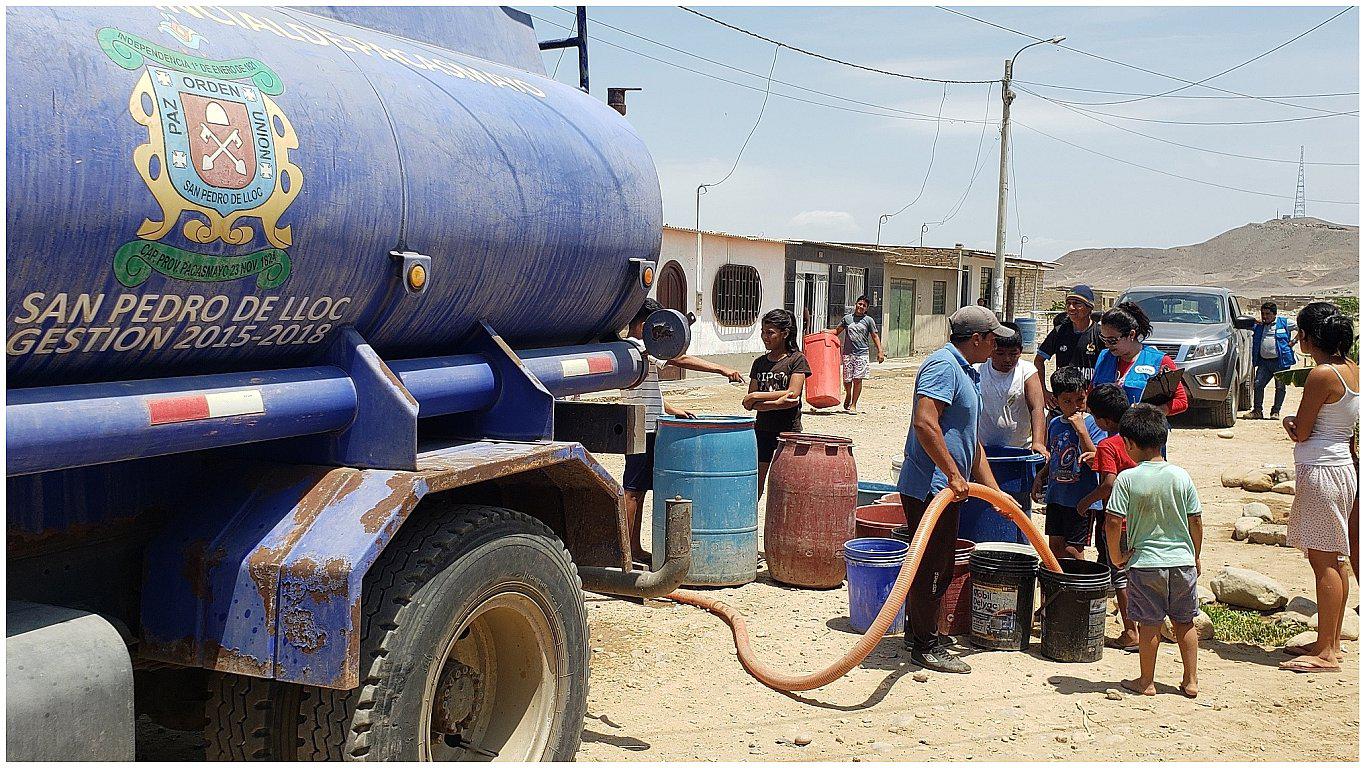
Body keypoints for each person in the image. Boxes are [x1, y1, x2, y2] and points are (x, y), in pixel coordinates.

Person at [897, 305, 1011, 674]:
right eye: (993, 338)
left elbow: (970, 442)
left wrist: (995, 493)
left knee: (940, 563)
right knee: (931, 566)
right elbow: (925, 423)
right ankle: (925, 644)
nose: (997, 344)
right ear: (976, 339)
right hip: (931, 487)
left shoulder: (967, 372)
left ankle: (921, 633)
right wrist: (952, 474)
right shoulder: (944, 366)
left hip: (948, 486)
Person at [620, 299, 743, 564]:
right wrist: (721, 368)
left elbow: (645, 392)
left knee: (639, 490)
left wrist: (672, 408)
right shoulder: (638, 348)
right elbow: (680, 358)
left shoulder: (638, 351)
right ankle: (626, 551)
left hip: (648, 422)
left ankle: (633, 547)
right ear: (646, 325)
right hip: (641, 426)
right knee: (632, 490)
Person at [1278, 302, 1357, 673]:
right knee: (1334, 557)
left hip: (1320, 469)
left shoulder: (1321, 374)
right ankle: (1332, 640)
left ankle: (1326, 652)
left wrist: (1290, 424)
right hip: (1341, 467)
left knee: (1322, 558)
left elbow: (1303, 430)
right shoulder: (1351, 371)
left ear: (1310, 336)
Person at [1104, 404, 1203, 697]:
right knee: (1185, 622)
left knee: (1149, 624)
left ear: (1130, 443)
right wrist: (1195, 555)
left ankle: (1146, 681)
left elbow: (1112, 520)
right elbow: (1195, 519)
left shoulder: (1128, 479)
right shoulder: (1180, 475)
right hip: (1182, 562)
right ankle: (1191, 680)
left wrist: (1116, 555)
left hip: (1145, 563)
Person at [1077, 383, 1141, 652]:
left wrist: (1085, 502)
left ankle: (1130, 631)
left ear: (1103, 419)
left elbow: (1109, 485)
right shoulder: (1139, 437)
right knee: (1139, 573)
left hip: (1119, 521)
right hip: (1143, 518)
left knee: (1120, 575)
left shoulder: (1107, 444)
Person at [1030, 367, 1105, 562]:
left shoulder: (1093, 425)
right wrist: (1041, 475)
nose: (1075, 406)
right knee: (1055, 546)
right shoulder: (1055, 424)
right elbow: (1055, 455)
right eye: (1067, 402)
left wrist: (1081, 432)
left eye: (1080, 400)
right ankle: (1059, 586)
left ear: (1086, 393)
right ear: (1056, 400)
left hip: (1081, 499)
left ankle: (1077, 586)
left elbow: (1096, 460)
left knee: (1073, 549)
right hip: (1057, 496)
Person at [743, 309, 811, 496]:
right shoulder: (759, 363)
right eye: (763, 332)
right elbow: (749, 404)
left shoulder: (796, 360)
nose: (765, 337)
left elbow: (792, 395)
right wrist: (775, 400)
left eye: (770, 332)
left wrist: (758, 397)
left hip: (788, 430)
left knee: (788, 483)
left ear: (785, 333)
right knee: (756, 482)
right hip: (763, 430)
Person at [1092, 301, 1188, 417]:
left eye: (1112, 340)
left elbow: (1181, 401)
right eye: (1103, 339)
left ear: (1131, 335)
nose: (1107, 344)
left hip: (1142, 430)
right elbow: (1091, 392)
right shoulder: (1104, 357)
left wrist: (1149, 412)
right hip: (1107, 430)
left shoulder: (1159, 361)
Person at [975, 321, 1049, 459]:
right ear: (991, 350)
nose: (1007, 359)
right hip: (983, 449)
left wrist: (1038, 442)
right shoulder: (978, 370)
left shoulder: (1027, 371)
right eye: (1000, 353)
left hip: (1020, 449)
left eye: (1013, 354)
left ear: (1020, 351)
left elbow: (1037, 408)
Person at [1034, 285, 1103, 406]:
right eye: (1068, 303)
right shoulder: (1059, 332)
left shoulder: (1100, 334)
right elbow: (1039, 361)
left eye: (1077, 303)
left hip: (1090, 404)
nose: (1071, 308)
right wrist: (1044, 391)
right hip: (1062, 403)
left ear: (1089, 307)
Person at [830, 295, 885, 414]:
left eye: (864, 306)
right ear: (856, 304)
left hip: (862, 353)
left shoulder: (868, 320)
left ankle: (854, 405)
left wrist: (880, 351)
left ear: (866, 308)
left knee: (858, 379)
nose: (861, 307)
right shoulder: (847, 319)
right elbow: (836, 331)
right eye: (859, 304)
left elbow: (874, 336)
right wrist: (825, 332)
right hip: (848, 354)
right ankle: (848, 394)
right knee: (847, 379)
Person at [1249, 301, 1298, 420]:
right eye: (1263, 314)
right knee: (1258, 385)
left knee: (1280, 387)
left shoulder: (1285, 323)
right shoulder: (1259, 325)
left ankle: (1275, 411)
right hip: (1264, 363)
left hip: (1280, 362)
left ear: (1274, 314)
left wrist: (1293, 341)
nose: (1264, 316)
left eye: (1267, 314)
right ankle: (1257, 411)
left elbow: (1302, 328)